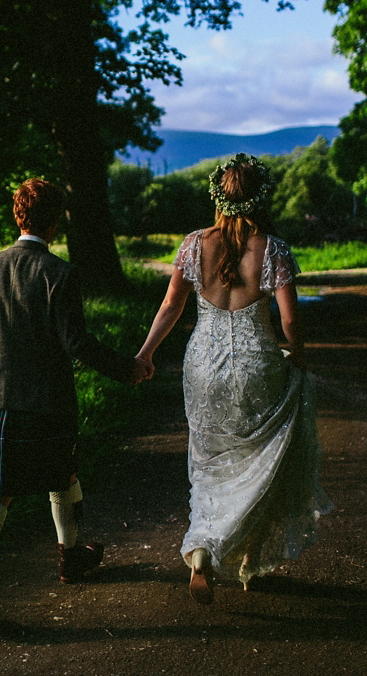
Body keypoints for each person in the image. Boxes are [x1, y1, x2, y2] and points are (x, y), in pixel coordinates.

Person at [135, 153, 333, 603]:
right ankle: (247, 559)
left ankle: (204, 548)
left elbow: (171, 306)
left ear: (217, 196)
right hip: (257, 362)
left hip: (202, 364)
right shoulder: (274, 249)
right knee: (261, 461)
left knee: (209, 463)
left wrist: (145, 354)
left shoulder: (191, 245)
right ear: (262, 198)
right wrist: (297, 356)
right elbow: (290, 320)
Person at [0, 178, 153, 630]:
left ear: (17, 216)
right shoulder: (59, 273)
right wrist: (128, 368)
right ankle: (68, 558)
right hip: (46, 404)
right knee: (61, 474)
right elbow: (77, 343)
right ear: (55, 221)